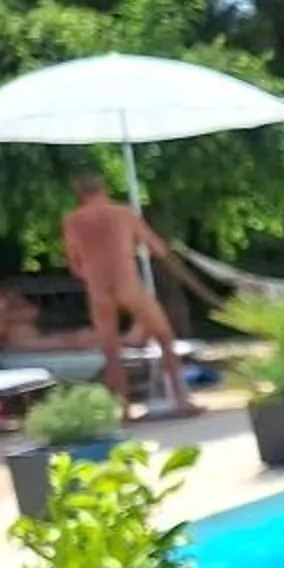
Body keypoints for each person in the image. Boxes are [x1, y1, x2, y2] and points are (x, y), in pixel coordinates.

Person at [60, 174, 195, 417]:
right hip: (127, 284)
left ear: (80, 195)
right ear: (104, 190)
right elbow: (156, 247)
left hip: (98, 289)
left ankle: (123, 409)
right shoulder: (122, 213)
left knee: (111, 351)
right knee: (164, 337)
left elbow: (75, 265)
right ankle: (181, 400)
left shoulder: (72, 221)